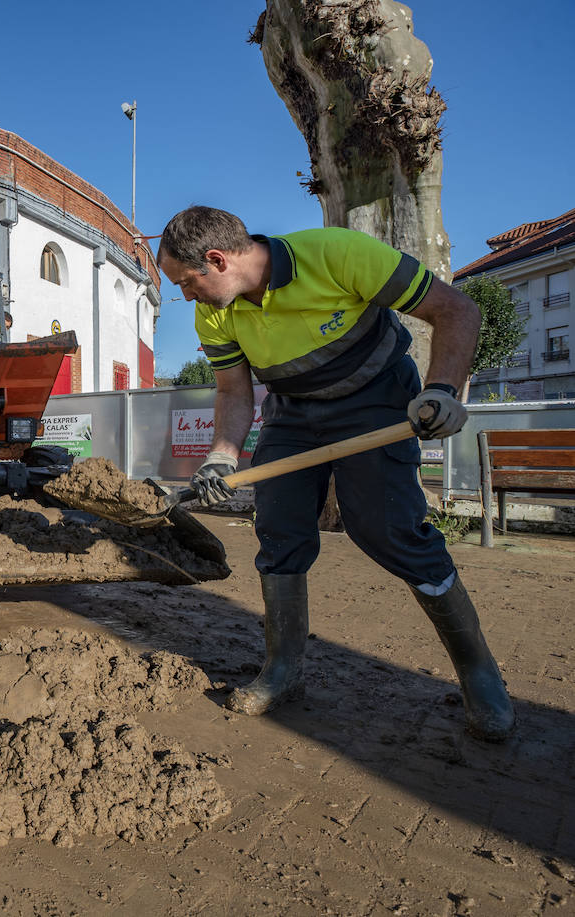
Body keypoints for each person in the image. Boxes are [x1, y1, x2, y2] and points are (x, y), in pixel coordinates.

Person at [156, 205, 514, 742]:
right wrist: (222, 456)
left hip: (376, 400)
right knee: (278, 531)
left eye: (187, 283)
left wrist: (441, 389)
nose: (186, 296)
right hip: (293, 411)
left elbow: (456, 309)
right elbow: (233, 390)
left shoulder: (337, 254)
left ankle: (480, 673)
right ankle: (283, 671)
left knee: (388, 531)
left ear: (217, 259)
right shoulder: (216, 310)